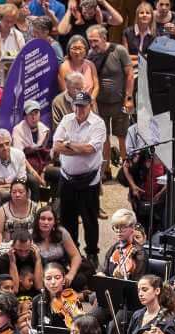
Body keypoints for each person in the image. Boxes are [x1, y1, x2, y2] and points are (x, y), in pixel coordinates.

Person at [52, 90, 105, 263]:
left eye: (82, 106)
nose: (79, 110)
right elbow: (57, 146)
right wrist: (77, 148)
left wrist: (68, 144)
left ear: (90, 105)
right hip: (67, 178)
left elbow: (91, 149)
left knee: (90, 219)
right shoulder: (67, 120)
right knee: (68, 218)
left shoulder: (98, 123)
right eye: (76, 105)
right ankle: (71, 250)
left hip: (89, 180)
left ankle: (92, 252)